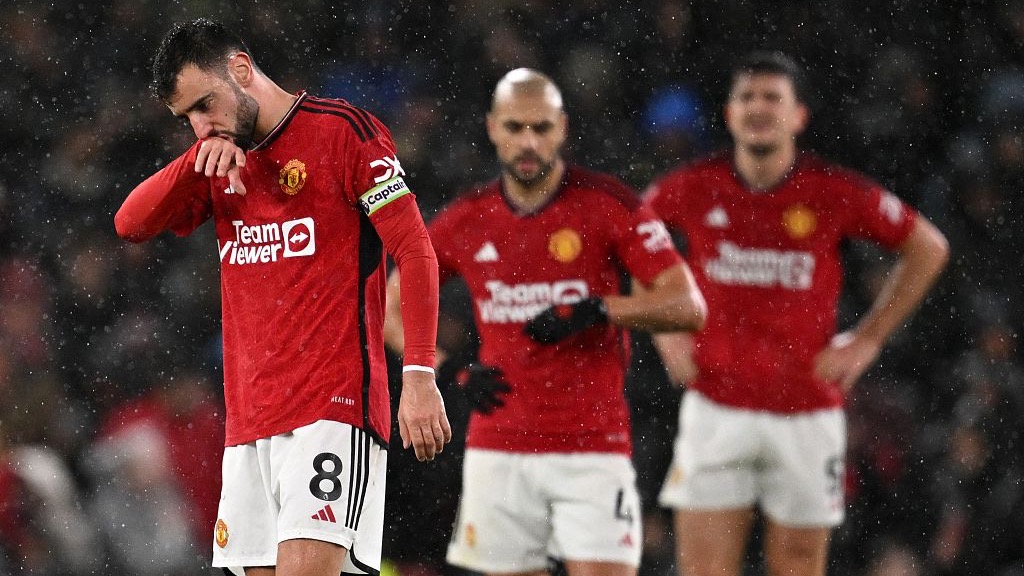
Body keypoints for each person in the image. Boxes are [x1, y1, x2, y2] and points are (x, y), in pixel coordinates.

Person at [113, 18, 451, 576]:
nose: (201, 127)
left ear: (242, 70)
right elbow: (128, 224)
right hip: (248, 423)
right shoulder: (215, 160)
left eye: (206, 104)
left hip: (332, 410)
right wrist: (195, 161)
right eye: (187, 119)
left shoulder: (344, 132)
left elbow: (414, 250)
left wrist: (418, 374)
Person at [383, 68, 707, 576]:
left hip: (594, 449)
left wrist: (601, 308)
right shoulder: (468, 218)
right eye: (515, 128)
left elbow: (688, 306)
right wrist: (447, 370)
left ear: (563, 127)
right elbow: (390, 305)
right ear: (492, 128)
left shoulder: (609, 205)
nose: (528, 142)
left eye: (540, 127)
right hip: (500, 450)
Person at [644, 51, 950, 576]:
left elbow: (928, 247)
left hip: (806, 411)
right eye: (747, 97)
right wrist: (665, 332)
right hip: (717, 406)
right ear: (729, 113)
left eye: (772, 98)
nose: (759, 107)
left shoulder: (832, 191)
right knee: (703, 569)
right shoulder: (693, 186)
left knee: (799, 566)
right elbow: (628, 240)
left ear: (797, 116)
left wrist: (870, 338)